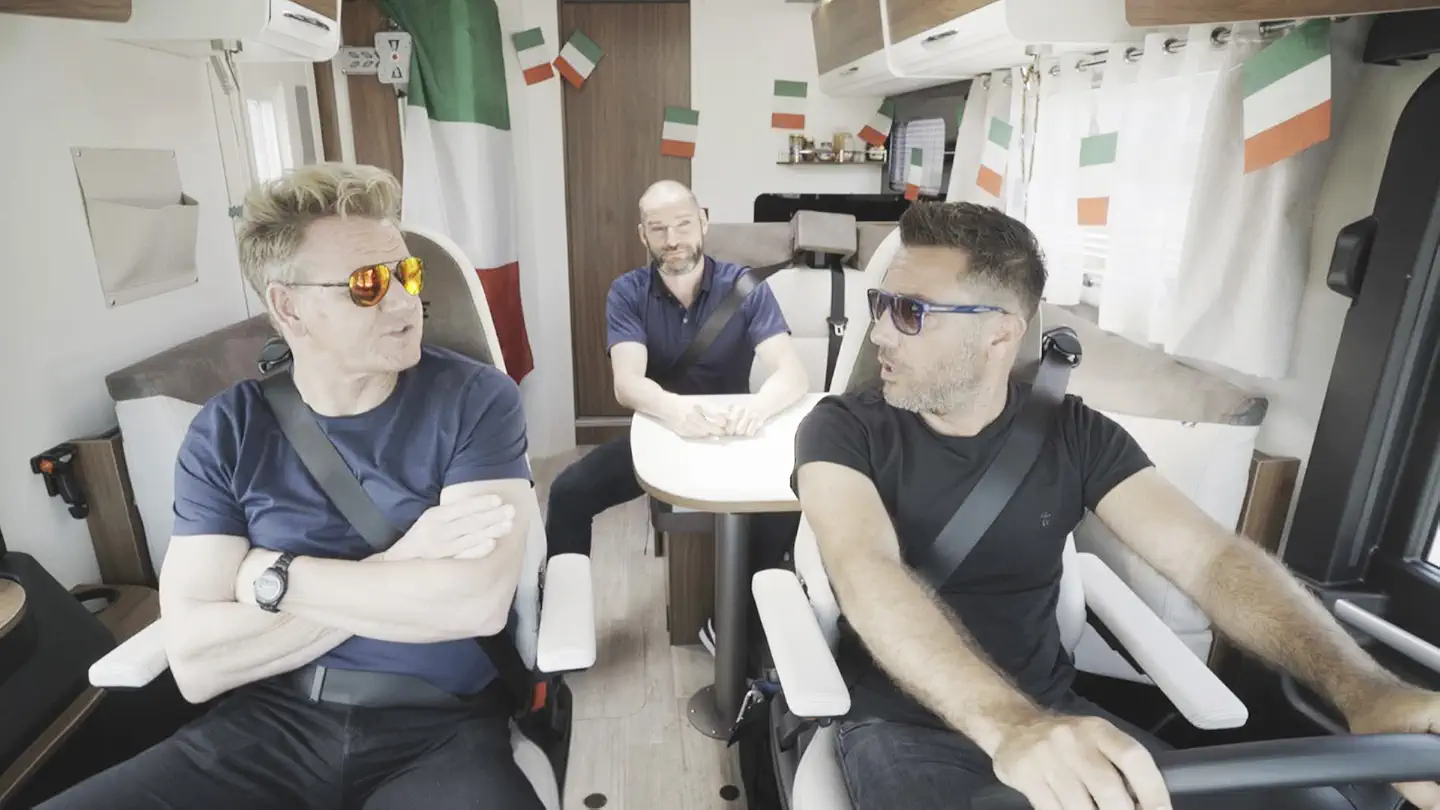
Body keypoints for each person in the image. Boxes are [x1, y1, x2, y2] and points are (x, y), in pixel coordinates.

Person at [792, 201, 1440, 810]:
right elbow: (865, 567)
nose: (880, 330)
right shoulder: (841, 429)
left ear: (999, 334)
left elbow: (1209, 559)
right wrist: (1010, 726)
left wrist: (1365, 691)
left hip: (1059, 721)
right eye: (882, 304)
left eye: (910, 311)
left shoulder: (1077, 435)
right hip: (905, 729)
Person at [39, 163, 545, 809]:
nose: (403, 302)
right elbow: (196, 664)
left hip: (441, 726)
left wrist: (272, 579)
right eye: (367, 284)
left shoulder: (476, 400)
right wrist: (403, 563)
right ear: (289, 307)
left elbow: (472, 604)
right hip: (267, 726)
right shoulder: (226, 431)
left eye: (407, 274)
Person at [545, 180, 809, 569]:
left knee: (789, 497)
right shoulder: (627, 292)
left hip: (733, 432)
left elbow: (792, 374)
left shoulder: (745, 287)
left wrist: (758, 409)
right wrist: (676, 412)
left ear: (703, 222)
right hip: (662, 428)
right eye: (658, 228)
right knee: (568, 493)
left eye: (683, 224)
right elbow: (627, 383)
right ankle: (563, 599)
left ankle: (750, 601)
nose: (672, 240)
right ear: (643, 235)